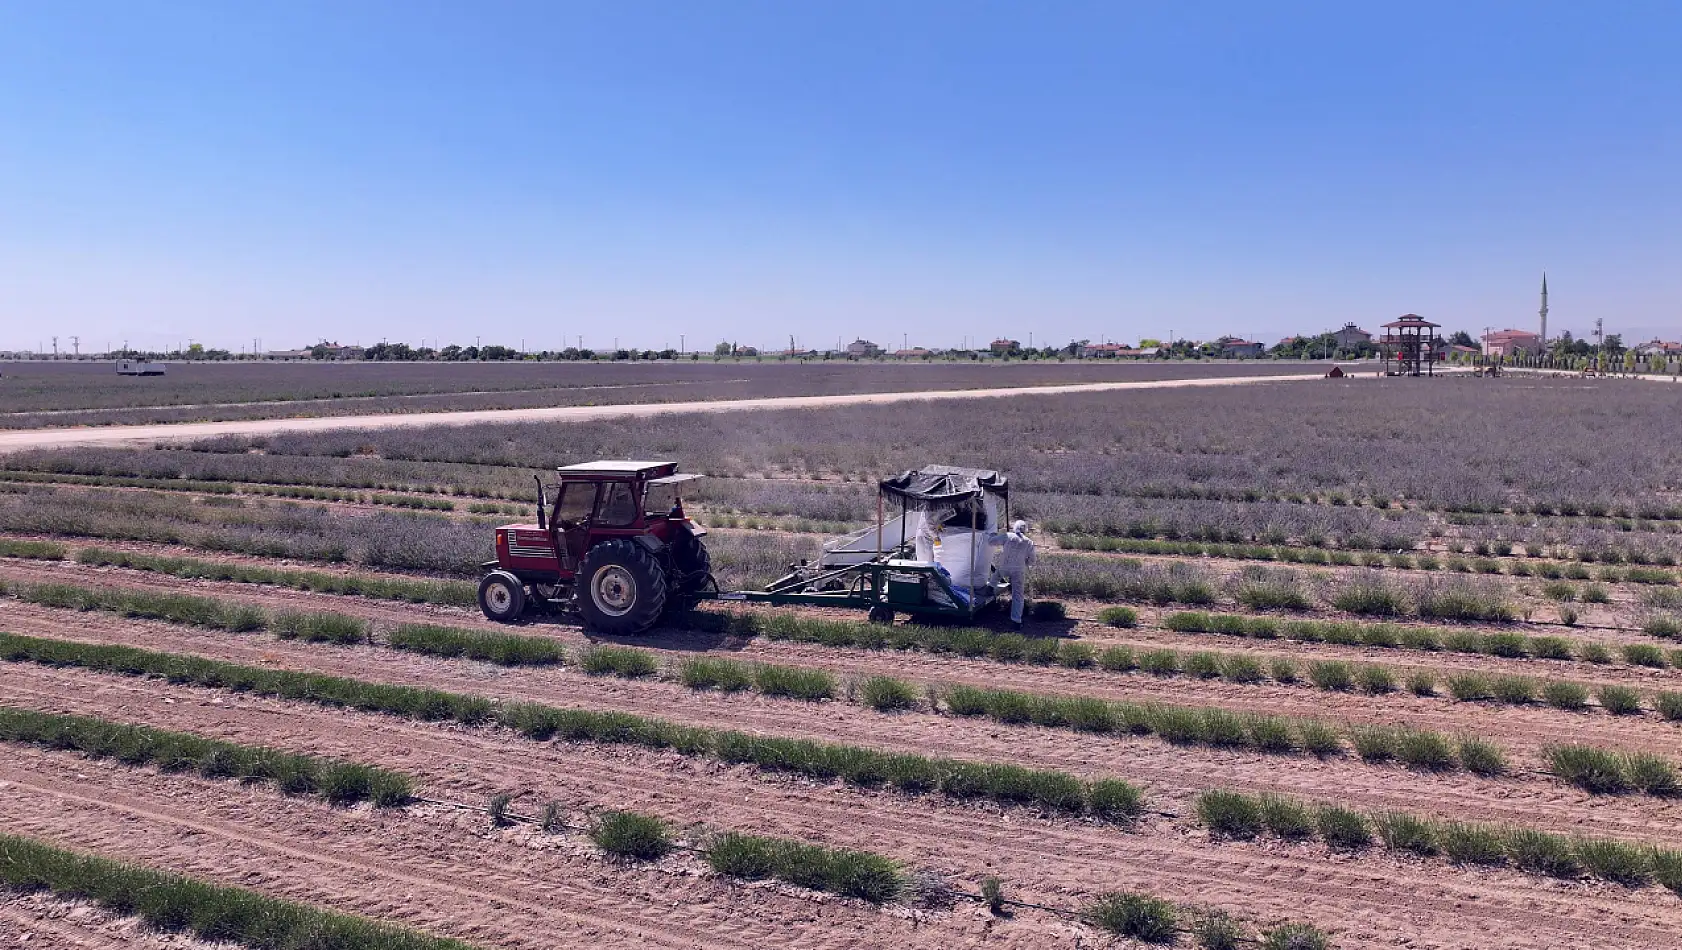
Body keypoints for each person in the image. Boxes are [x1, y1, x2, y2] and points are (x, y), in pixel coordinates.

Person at [991, 519, 1037, 628]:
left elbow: (991, 542)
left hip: (1005, 566)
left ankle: (990, 587)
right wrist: (1024, 562)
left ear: (1014, 527)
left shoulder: (1008, 536)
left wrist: (992, 535)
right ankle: (1016, 620)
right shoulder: (1029, 542)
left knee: (996, 575)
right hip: (1019, 569)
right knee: (1018, 595)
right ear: (1025, 529)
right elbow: (1032, 560)